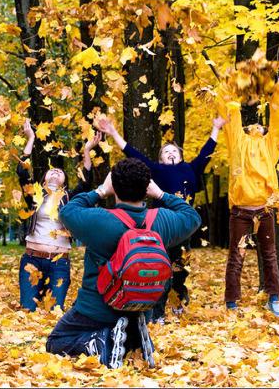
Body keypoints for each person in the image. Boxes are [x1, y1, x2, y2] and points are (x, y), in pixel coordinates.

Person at [46, 158, 201, 369]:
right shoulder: (162, 220)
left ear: (114, 188)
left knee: (56, 341)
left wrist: (100, 191)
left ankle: (103, 342)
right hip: (141, 308)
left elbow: (67, 211)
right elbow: (192, 216)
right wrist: (162, 194)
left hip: (96, 310)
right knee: (130, 325)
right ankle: (133, 337)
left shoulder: (99, 220)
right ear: (147, 188)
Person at [95, 116, 225, 320]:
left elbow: (207, 153)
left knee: (181, 268)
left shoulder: (190, 168)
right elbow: (133, 154)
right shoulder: (156, 170)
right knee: (160, 266)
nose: (171, 153)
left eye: (174, 151)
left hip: (182, 225)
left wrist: (216, 128)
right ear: (160, 159)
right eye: (166, 151)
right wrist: (113, 133)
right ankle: (157, 312)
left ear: (181, 156)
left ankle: (179, 301)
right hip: (162, 224)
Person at [216, 77, 279, 317]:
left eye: (261, 126)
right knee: (236, 257)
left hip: (265, 210)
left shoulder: (270, 146)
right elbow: (231, 118)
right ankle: (231, 303)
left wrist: (278, 91)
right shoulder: (238, 143)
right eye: (252, 126)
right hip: (241, 211)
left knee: (269, 255)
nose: (257, 127)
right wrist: (228, 89)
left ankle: (274, 298)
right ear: (247, 130)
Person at [16, 118, 101, 311]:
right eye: (51, 171)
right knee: (29, 310)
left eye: (59, 172)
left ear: (64, 180)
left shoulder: (70, 198)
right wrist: (30, 139)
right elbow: (22, 171)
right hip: (32, 260)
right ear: (44, 177)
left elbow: (86, 182)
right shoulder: (35, 195)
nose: (55, 173)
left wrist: (87, 150)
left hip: (59, 262)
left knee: (54, 311)